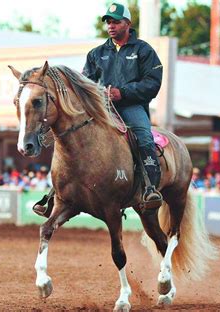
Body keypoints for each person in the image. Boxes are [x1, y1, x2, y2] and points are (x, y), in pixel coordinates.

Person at [32, 2, 163, 217]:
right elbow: (85, 84)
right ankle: (56, 192)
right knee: (75, 137)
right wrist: (96, 96)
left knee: (144, 138)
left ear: (128, 24)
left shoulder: (144, 50)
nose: (111, 26)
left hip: (132, 106)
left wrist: (123, 93)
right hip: (102, 109)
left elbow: (153, 82)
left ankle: (150, 188)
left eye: (116, 22)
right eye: (108, 22)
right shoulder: (96, 53)